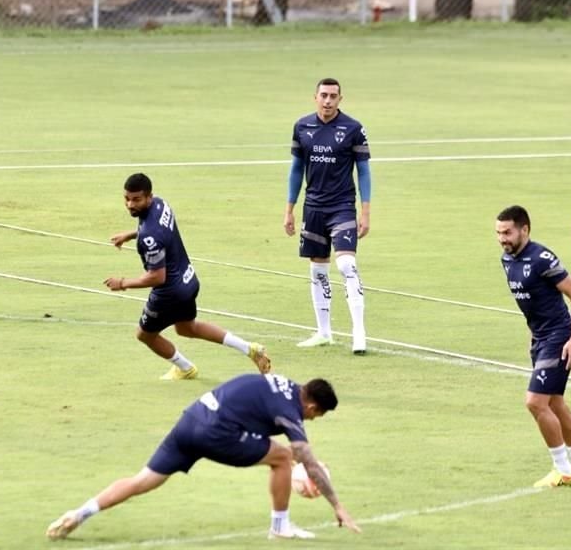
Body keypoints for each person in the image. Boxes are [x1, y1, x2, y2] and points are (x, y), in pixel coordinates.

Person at [46, 373, 361, 540]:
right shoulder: (290, 411)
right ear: (312, 407)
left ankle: (79, 513)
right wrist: (337, 505)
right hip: (216, 432)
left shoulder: (284, 387)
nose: (310, 421)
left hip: (190, 421)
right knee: (282, 457)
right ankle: (280, 526)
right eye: (315, 417)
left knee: (143, 480)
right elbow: (302, 453)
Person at [105, 173, 271, 380]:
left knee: (145, 335)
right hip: (188, 280)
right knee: (186, 328)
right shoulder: (160, 204)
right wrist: (130, 235)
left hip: (169, 292)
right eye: (127, 199)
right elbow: (157, 231)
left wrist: (122, 283)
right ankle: (249, 348)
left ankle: (185, 368)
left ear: (149, 197)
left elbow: (156, 277)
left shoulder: (149, 237)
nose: (130, 204)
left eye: (136, 199)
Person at [496, 206, 571, 488]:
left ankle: (562, 469)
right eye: (499, 233)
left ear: (524, 229)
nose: (503, 238)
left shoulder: (542, 258)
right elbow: (530, 301)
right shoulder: (507, 259)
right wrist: (532, 334)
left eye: (508, 232)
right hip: (540, 339)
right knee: (554, 402)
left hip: (559, 336)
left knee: (535, 402)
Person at [283, 78, 371, 354]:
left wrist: (365, 210)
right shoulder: (302, 126)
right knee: (318, 269)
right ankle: (324, 332)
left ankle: (359, 333)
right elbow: (297, 169)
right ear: (315, 97)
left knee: (346, 265)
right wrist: (289, 209)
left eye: (333, 96)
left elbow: (364, 171)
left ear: (340, 99)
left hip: (342, 206)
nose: (328, 100)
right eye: (324, 95)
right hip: (313, 207)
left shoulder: (353, 129)